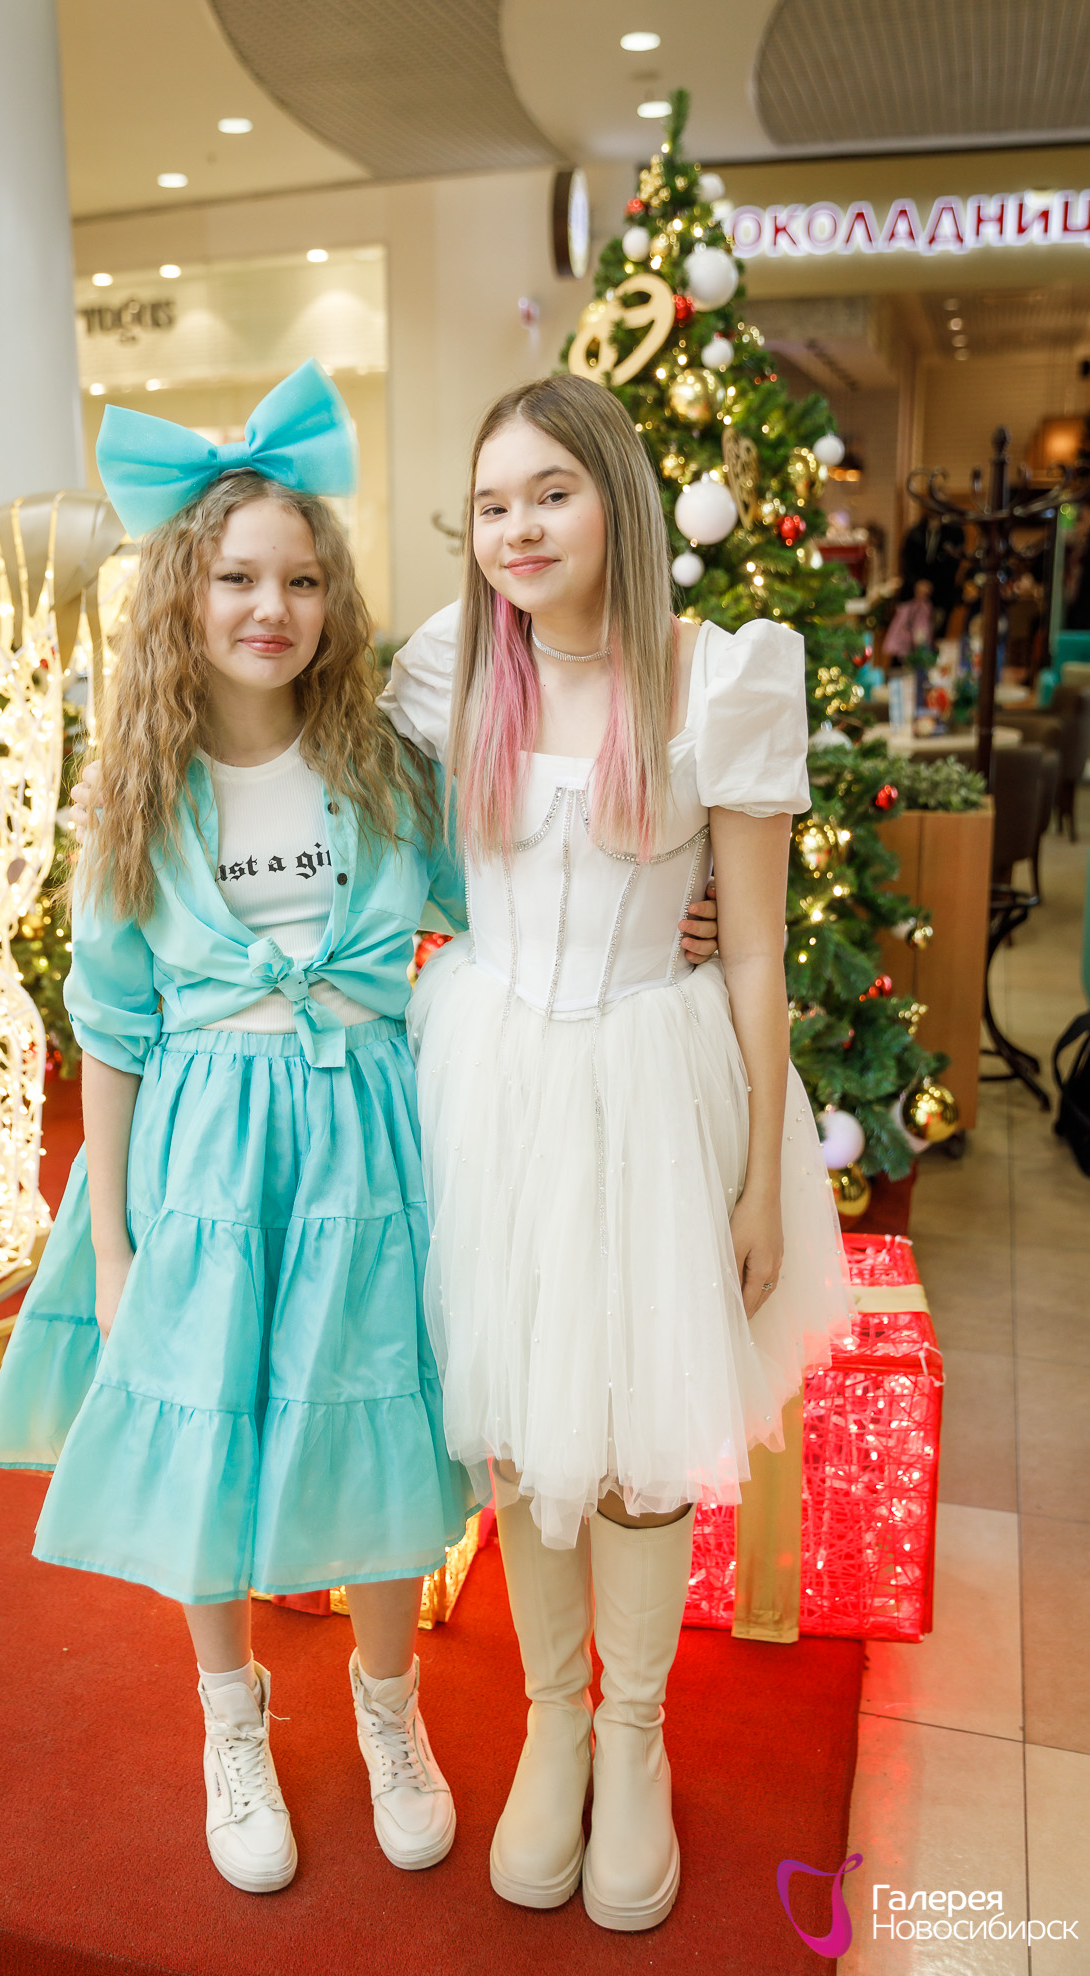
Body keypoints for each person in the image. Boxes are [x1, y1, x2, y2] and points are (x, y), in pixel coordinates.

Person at [0, 362, 475, 1897]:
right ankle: (231, 1718)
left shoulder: (386, 768)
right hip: (199, 1164)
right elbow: (113, 1030)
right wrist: (114, 1240)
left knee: (369, 1415)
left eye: (302, 580)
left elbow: (494, 909)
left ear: (333, 601)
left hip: (364, 1155)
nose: (273, 607)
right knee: (205, 1432)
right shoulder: (135, 795)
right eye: (241, 578)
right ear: (185, 596)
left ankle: (388, 1710)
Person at [380, 375, 854, 1934]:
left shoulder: (720, 677)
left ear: (618, 500)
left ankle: (636, 1733)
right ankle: (554, 1724)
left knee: (643, 1431)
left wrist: (760, 1181)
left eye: (551, 493)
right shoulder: (452, 665)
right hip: (492, 1081)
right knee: (520, 1422)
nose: (516, 529)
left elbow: (755, 955)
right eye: (492, 502)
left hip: (656, 1079)